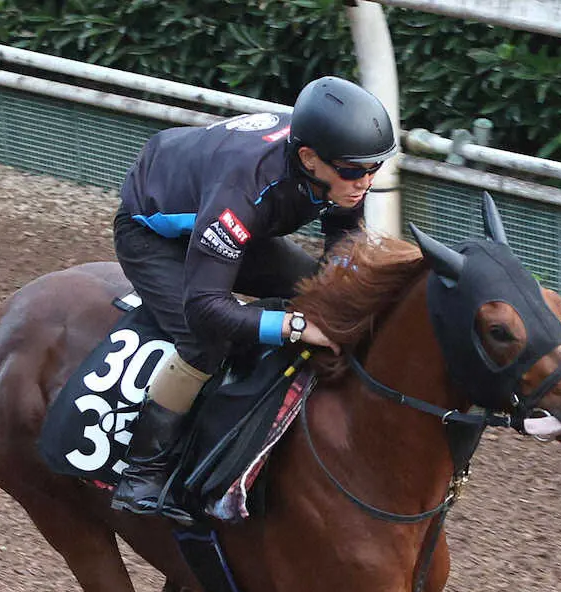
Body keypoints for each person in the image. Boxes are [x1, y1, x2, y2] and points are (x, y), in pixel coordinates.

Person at [109, 75, 398, 523]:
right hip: (153, 236)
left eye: (374, 168)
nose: (365, 180)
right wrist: (295, 327)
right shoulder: (243, 190)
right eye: (353, 171)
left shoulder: (337, 163)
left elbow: (343, 236)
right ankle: (142, 472)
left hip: (231, 217)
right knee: (207, 340)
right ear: (308, 159)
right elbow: (205, 306)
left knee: (313, 291)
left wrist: (336, 298)